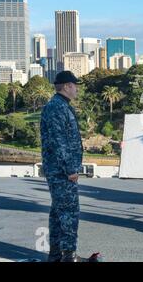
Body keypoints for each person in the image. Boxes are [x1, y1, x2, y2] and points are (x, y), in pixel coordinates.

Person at [40, 71, 84, 262]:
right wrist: (71, 169)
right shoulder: (57, 107)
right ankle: (68, 256)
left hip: (58, 170)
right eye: (75, 85)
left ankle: (57, 255)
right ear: (66, 86)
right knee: (69, 212)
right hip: (62, 172)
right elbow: (60, 141)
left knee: (58, 213)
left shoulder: (59, 106)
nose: (77, 89)